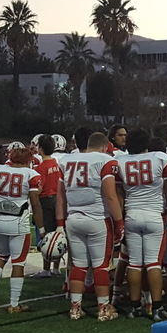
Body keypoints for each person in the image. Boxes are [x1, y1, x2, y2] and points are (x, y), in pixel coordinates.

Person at [56, 132, 124, 321]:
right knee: (100, 266)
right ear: (104, 147)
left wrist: (60, 223)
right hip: (97, 219)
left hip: (73, 219)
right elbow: (110, 195)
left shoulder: (66, 160)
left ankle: (75, 308)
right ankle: (103, 308)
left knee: (78, 265)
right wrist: (119, 221)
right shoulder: (104, 160)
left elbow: (60, 197)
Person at [115, 129, 167, 321]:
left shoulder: (119, 162)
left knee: (134, 262)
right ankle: (156, 307)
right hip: (154, 215)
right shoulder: (161, 158)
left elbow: (119, 195)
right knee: (153, 263)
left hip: (132, 215)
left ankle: (135, 307)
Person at [0, 147, 44, 313]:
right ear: (28, 160)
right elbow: (35, 205)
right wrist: (42, 229)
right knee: (18, 262)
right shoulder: (31, 175)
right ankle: (14, 304)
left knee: (0, 257)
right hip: (18, 223)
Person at [32, 135, 61, 278]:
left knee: (46, 235)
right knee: (57, 234)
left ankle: (46, 268)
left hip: (46, 201)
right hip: (58, 200)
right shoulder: (56, 163)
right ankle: (56, 266)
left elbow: (39, 188)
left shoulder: (41, 167)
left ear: (41, 149)